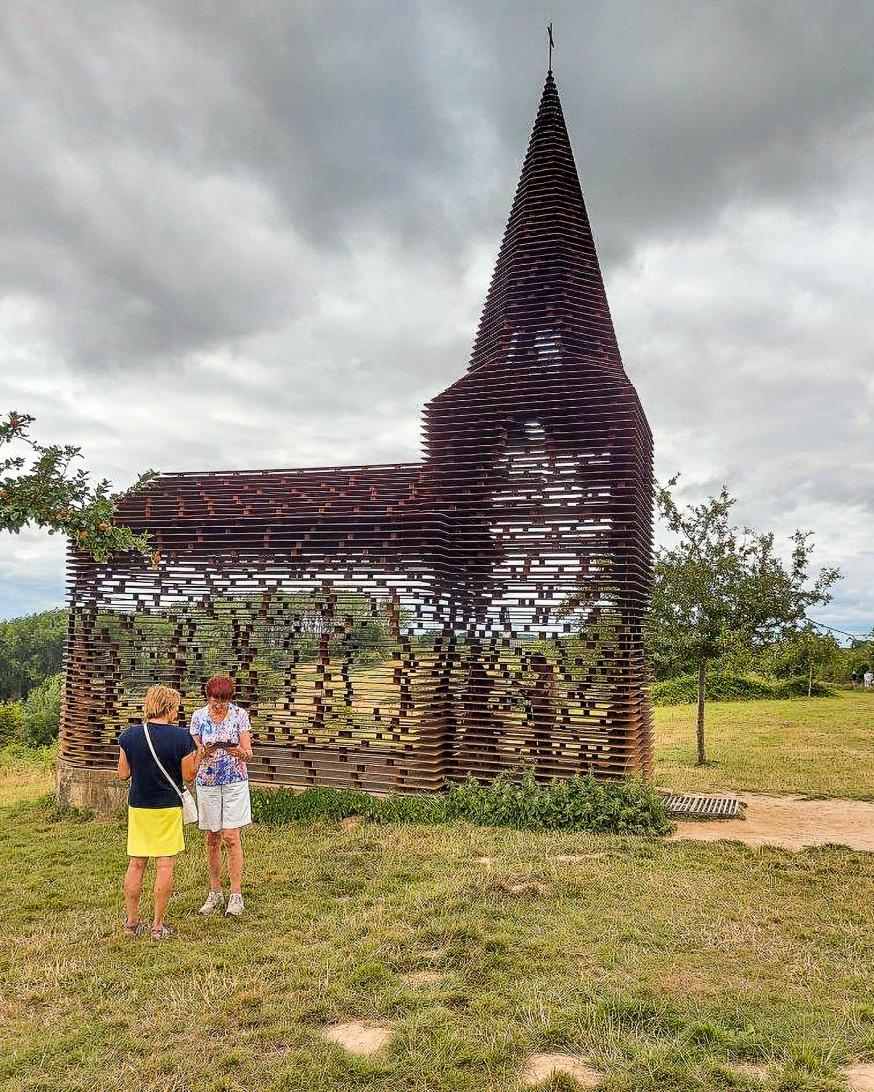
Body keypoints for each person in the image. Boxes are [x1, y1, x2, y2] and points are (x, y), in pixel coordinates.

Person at [118, 684, 198, 940]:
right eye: (176, 707)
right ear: (168, 707)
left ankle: (131, 923)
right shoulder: (182, 737)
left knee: (136, 863)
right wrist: (199, 757)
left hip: (139, 807)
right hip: (167, 807)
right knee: (164, 865)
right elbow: (188, 776)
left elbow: (122, 774)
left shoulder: (129, 736)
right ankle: (157, 925)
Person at [189, 675, 253, 916]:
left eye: (224, 702)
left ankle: (236, 895)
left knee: (231, 836)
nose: (219, 706)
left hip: (234, 780)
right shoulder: (198, 717)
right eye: (215, 701)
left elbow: (249, 753)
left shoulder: (239, 715)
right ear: (208, 697)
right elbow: (194, 751)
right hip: (207, 781)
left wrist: (239, 752)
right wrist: (203, 752)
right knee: (212, 837)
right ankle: (215, 892)